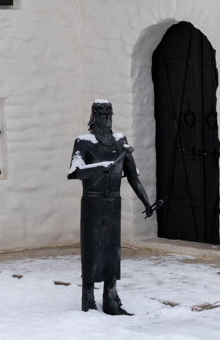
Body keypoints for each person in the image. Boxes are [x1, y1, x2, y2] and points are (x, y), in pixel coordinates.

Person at [67, 99, 156, 314]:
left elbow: (133, 176)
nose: (107, 120)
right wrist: (98, 167)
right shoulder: (83, 141)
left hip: (113, 202)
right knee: (91, 250)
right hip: (92, 202)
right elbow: (75, 172)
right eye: (102, 116)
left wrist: (146, 203)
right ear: (93, 117)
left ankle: (110, 298)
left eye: (109, 116)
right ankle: (88, 299)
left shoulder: (120, 142)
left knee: (111, 251)